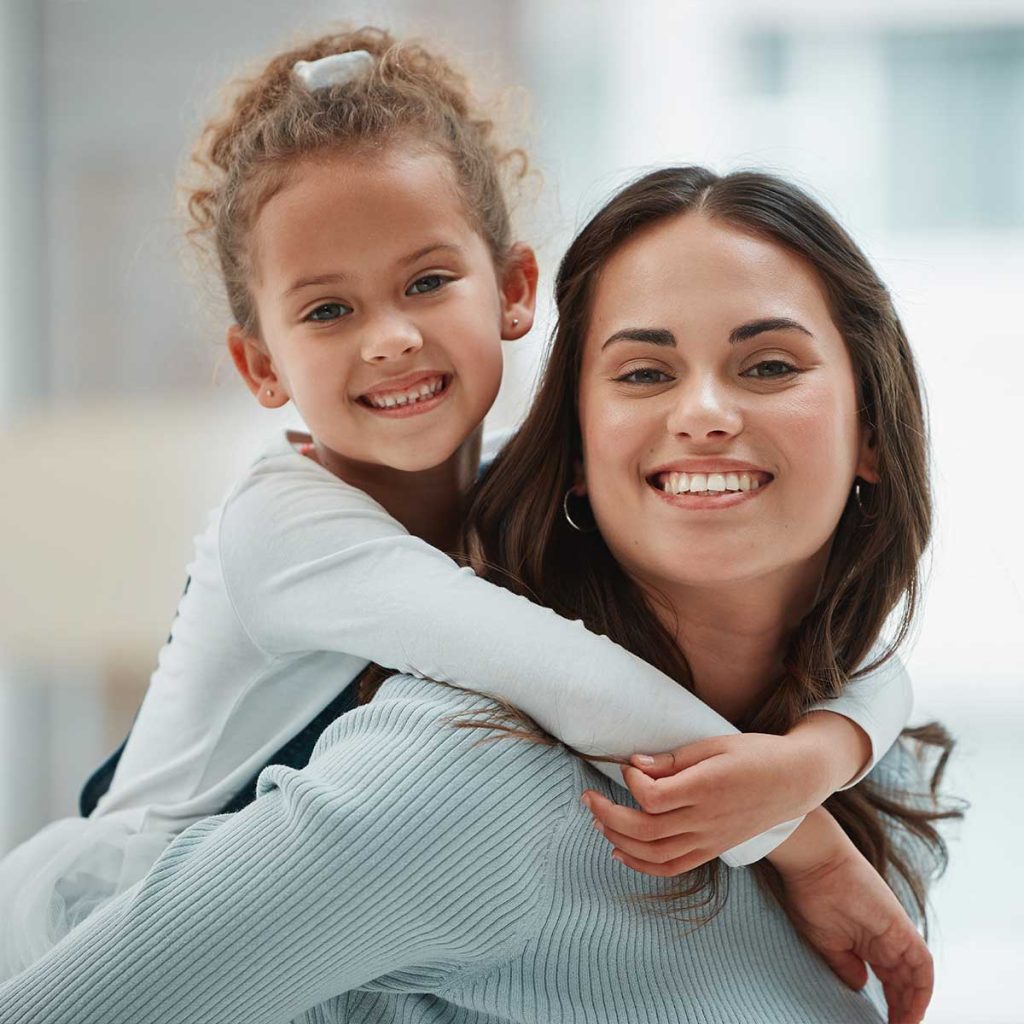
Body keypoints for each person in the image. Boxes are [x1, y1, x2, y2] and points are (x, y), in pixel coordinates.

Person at [0, 29, 914, 979]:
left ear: (514, 291)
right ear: (261, 364)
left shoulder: (516, 483)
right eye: (328, 310)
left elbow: (876, 655)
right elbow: (569, 677)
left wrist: (819, 757)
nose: (390, 338)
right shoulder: (280, 530)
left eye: (427, 282)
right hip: (129, 924)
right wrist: (806, 839)